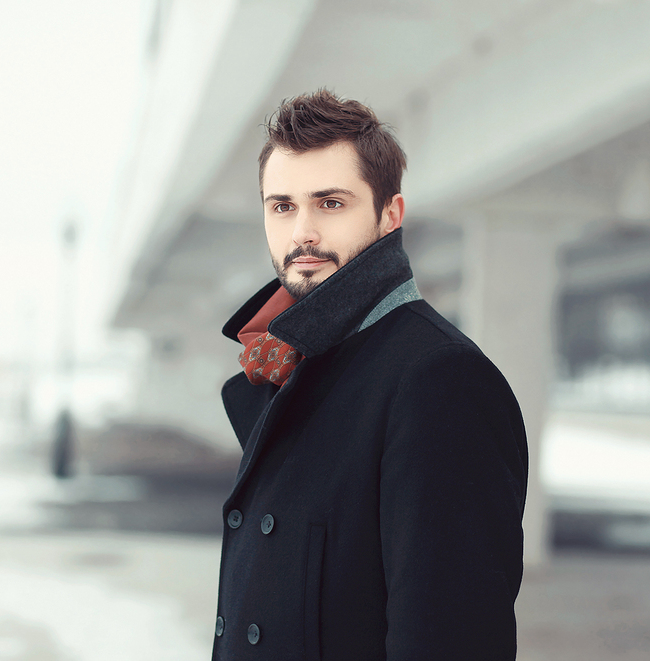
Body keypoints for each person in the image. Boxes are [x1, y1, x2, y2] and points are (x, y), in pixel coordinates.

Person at [212, 90, 528, 661]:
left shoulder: (441, 379)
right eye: (282, 207)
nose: (302, 232)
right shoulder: (292, 362)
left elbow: (451, 638)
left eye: (330, 203)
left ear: (390, 215)